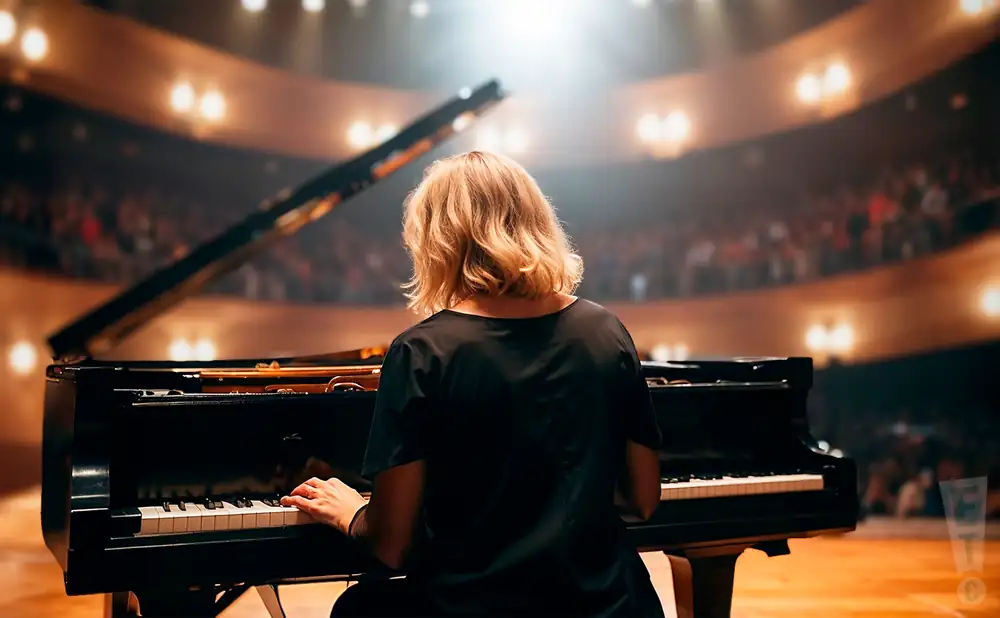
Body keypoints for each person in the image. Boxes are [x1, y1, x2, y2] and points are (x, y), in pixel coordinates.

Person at [280, 151, 665, 617]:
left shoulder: (421, 352)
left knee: (357, 609)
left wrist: (352, 513)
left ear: (439, 239)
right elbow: (643, 499)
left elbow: (392, 545)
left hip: (475, 606)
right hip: (614, 605)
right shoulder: (608, 330)